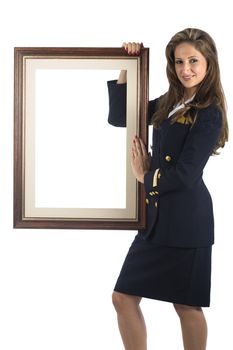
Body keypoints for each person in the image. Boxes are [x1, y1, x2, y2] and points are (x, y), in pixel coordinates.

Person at [108, 28, 228, 350]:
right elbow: (123, 116)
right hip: (158, 219)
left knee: (186, 305)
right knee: (123, 297)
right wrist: (125, 63)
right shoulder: (173, 100)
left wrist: (144, 176)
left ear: (209, 63)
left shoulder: (210, 111)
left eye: (193, 61)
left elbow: (187, 174)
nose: (185, 69)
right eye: (179, 62)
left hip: (188, 221)